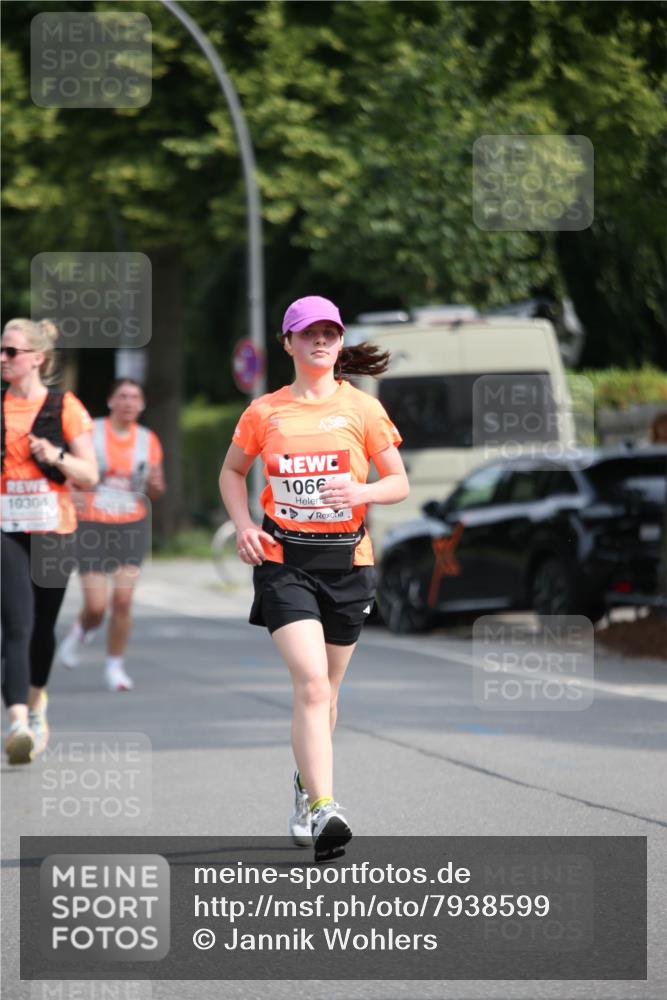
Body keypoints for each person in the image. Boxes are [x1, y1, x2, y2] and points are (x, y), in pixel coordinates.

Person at [220, 295, 409, 861]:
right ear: (288, 343)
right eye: (308, 333)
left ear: (340, 341)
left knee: (328, 693)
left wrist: (362, 490)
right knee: (311, 684)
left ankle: (305, 786)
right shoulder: (265, 411)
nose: (320, 340)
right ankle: (326, 806)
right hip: (284, 562)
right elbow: (232, 472)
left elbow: (398, 482)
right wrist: (244, 525)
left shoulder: (363, 409)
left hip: (348, 563)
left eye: (329, 332)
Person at [1, 318, 98, 764]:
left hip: (54, 530)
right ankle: (18, 724)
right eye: (1, 350)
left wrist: (55, 455)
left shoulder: (65, 407)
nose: (3, 358)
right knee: (16, 625)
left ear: (37, 358)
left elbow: (90, 474)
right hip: (8, 531)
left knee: (42, 628)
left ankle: (37, 701)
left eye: (11, 351)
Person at [57, 378, 165, 691]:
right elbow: (67, 471)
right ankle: (80, 631)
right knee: (96, 606)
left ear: (142, 405)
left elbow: (156, 489)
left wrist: (157, 487)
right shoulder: (91, 432)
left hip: (131, 524)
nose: (128, 402)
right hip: (92, 523)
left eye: (135, 397)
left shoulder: (148, 440)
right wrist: (71, 494)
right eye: (123, 396)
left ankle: (115, 666)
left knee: (123, 600)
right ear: (110, 401)